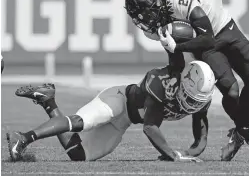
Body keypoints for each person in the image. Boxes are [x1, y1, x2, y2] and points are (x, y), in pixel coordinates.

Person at [125, 0, 249, 161]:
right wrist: (175, 76)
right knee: (231, 90)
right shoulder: (155, 29)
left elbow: (208, 38)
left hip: (222, 27)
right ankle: (244, 129)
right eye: (139, 18)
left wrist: (177, 47)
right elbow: (176, 58)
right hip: (203, 46)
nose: (145, 21)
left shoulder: (178, 0)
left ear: (157, 3)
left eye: (146, 14)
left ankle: (241, 129)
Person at [7, 60, 215, 162]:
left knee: (79, 156)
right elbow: (150, 127)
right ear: (183, 83)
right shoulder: (162, 82)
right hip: (119, 100)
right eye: (189, 96)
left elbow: (201, 140)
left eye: (197, 100)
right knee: (80, 122)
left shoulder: (199, 99)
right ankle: (23, 137)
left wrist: (189, 154)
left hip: (123, 123)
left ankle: (48, 101)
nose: (192, 103)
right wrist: (172, 155)